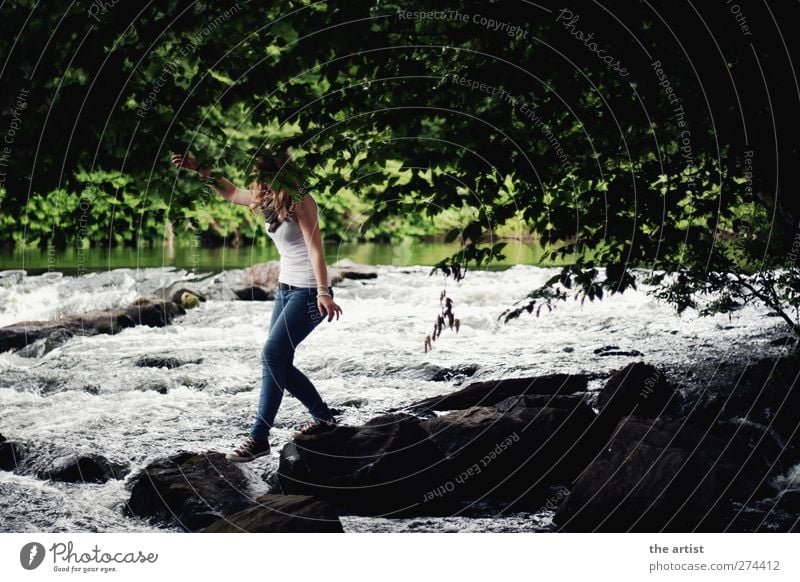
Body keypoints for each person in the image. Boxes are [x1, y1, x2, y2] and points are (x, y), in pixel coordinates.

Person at [170, 148, 343, 462]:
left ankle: (258, 437)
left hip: (308, 292)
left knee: (272, 355)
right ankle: (325, 420)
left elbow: (316, 250)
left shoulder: (302, 200)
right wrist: (201, 169)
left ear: (280, 176)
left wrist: (323, 292)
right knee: (277, 361)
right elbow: (232, 192)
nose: (257, 186)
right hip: (285, 289)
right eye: (257, 180)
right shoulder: (268, 200)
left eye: (263, 179)